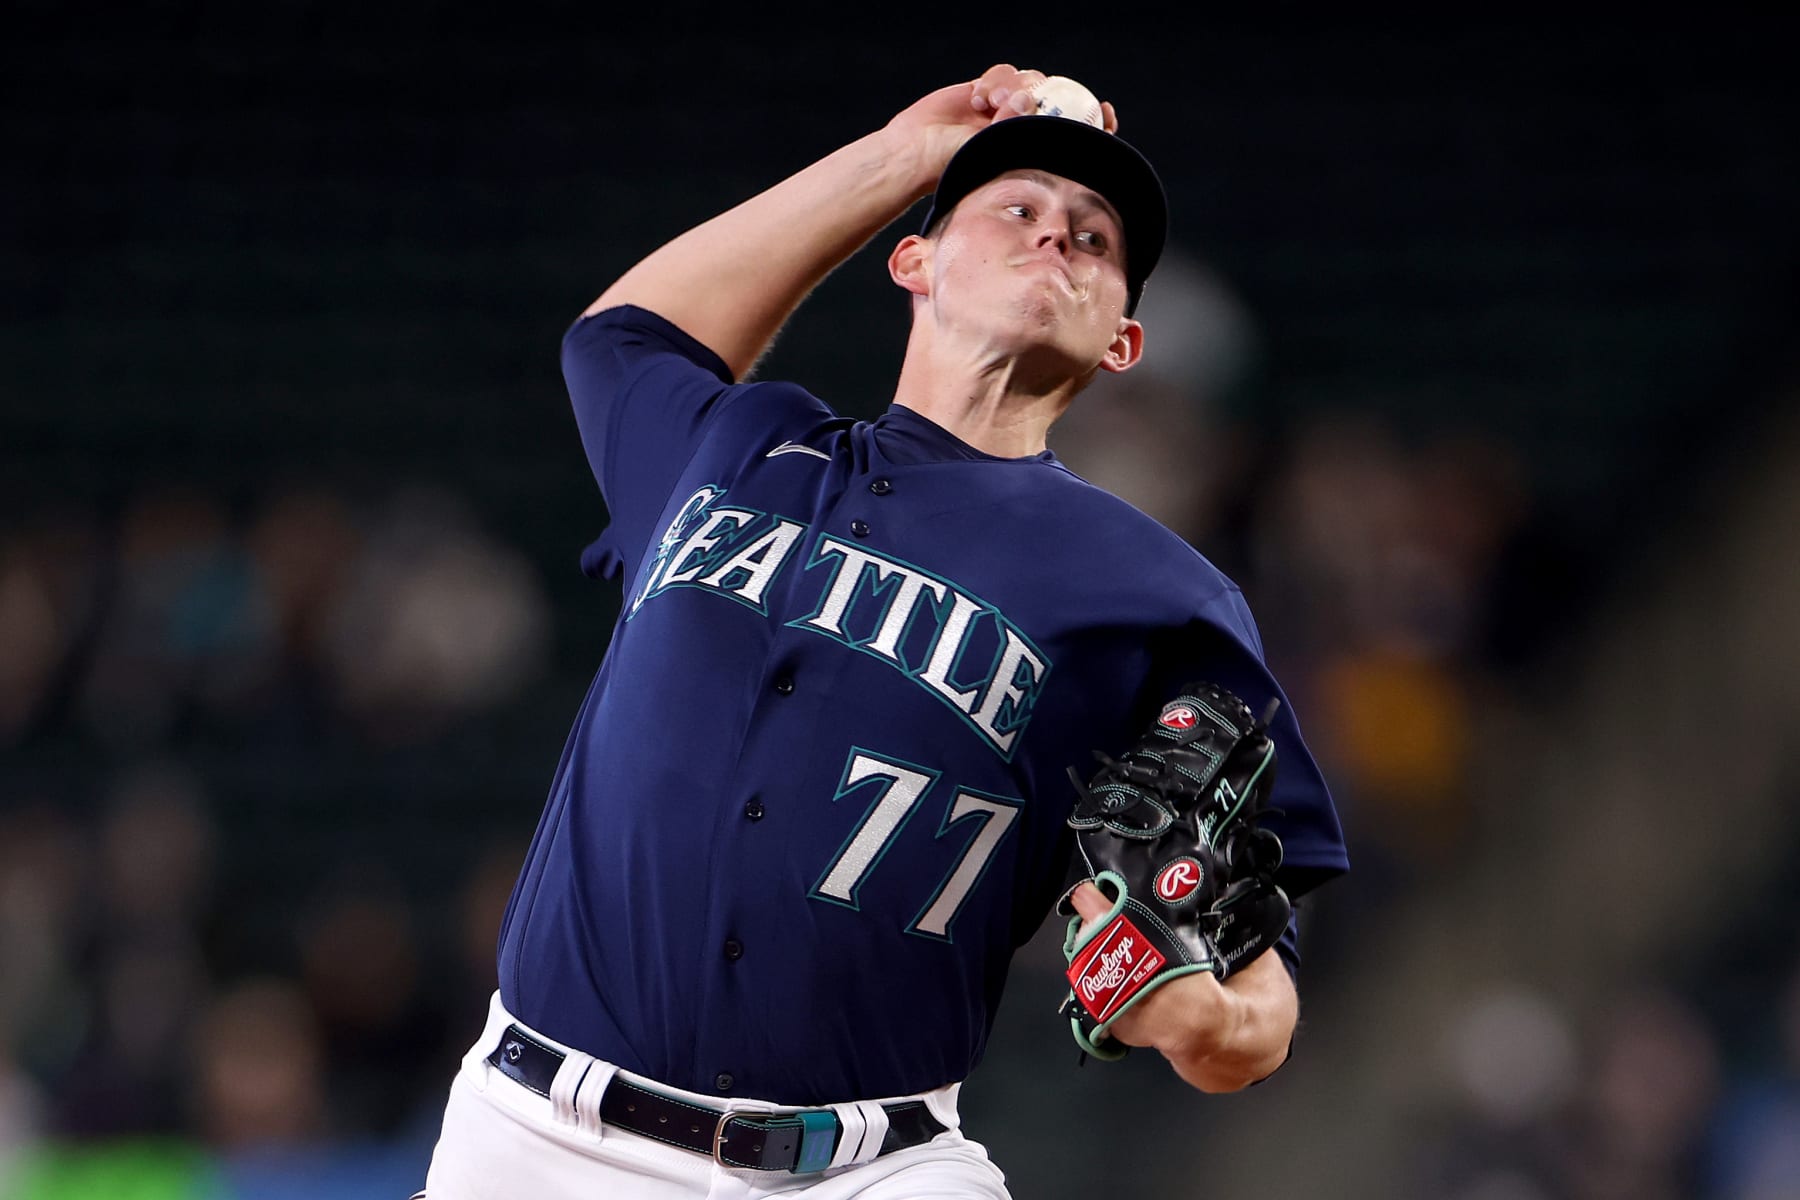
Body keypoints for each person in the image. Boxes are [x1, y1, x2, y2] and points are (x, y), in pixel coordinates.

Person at [417, 63, 1348, 1199]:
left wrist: (1202, 1013)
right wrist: (903, 159)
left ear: (1122, 343)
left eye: (1095, 239)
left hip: (868, 1170)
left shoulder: (1156, 594)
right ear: (914, 262)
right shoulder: (740, 451)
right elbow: (621, 338)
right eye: (1017, 210)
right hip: (537, 1140)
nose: (1056, 236)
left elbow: (1262, 1002)